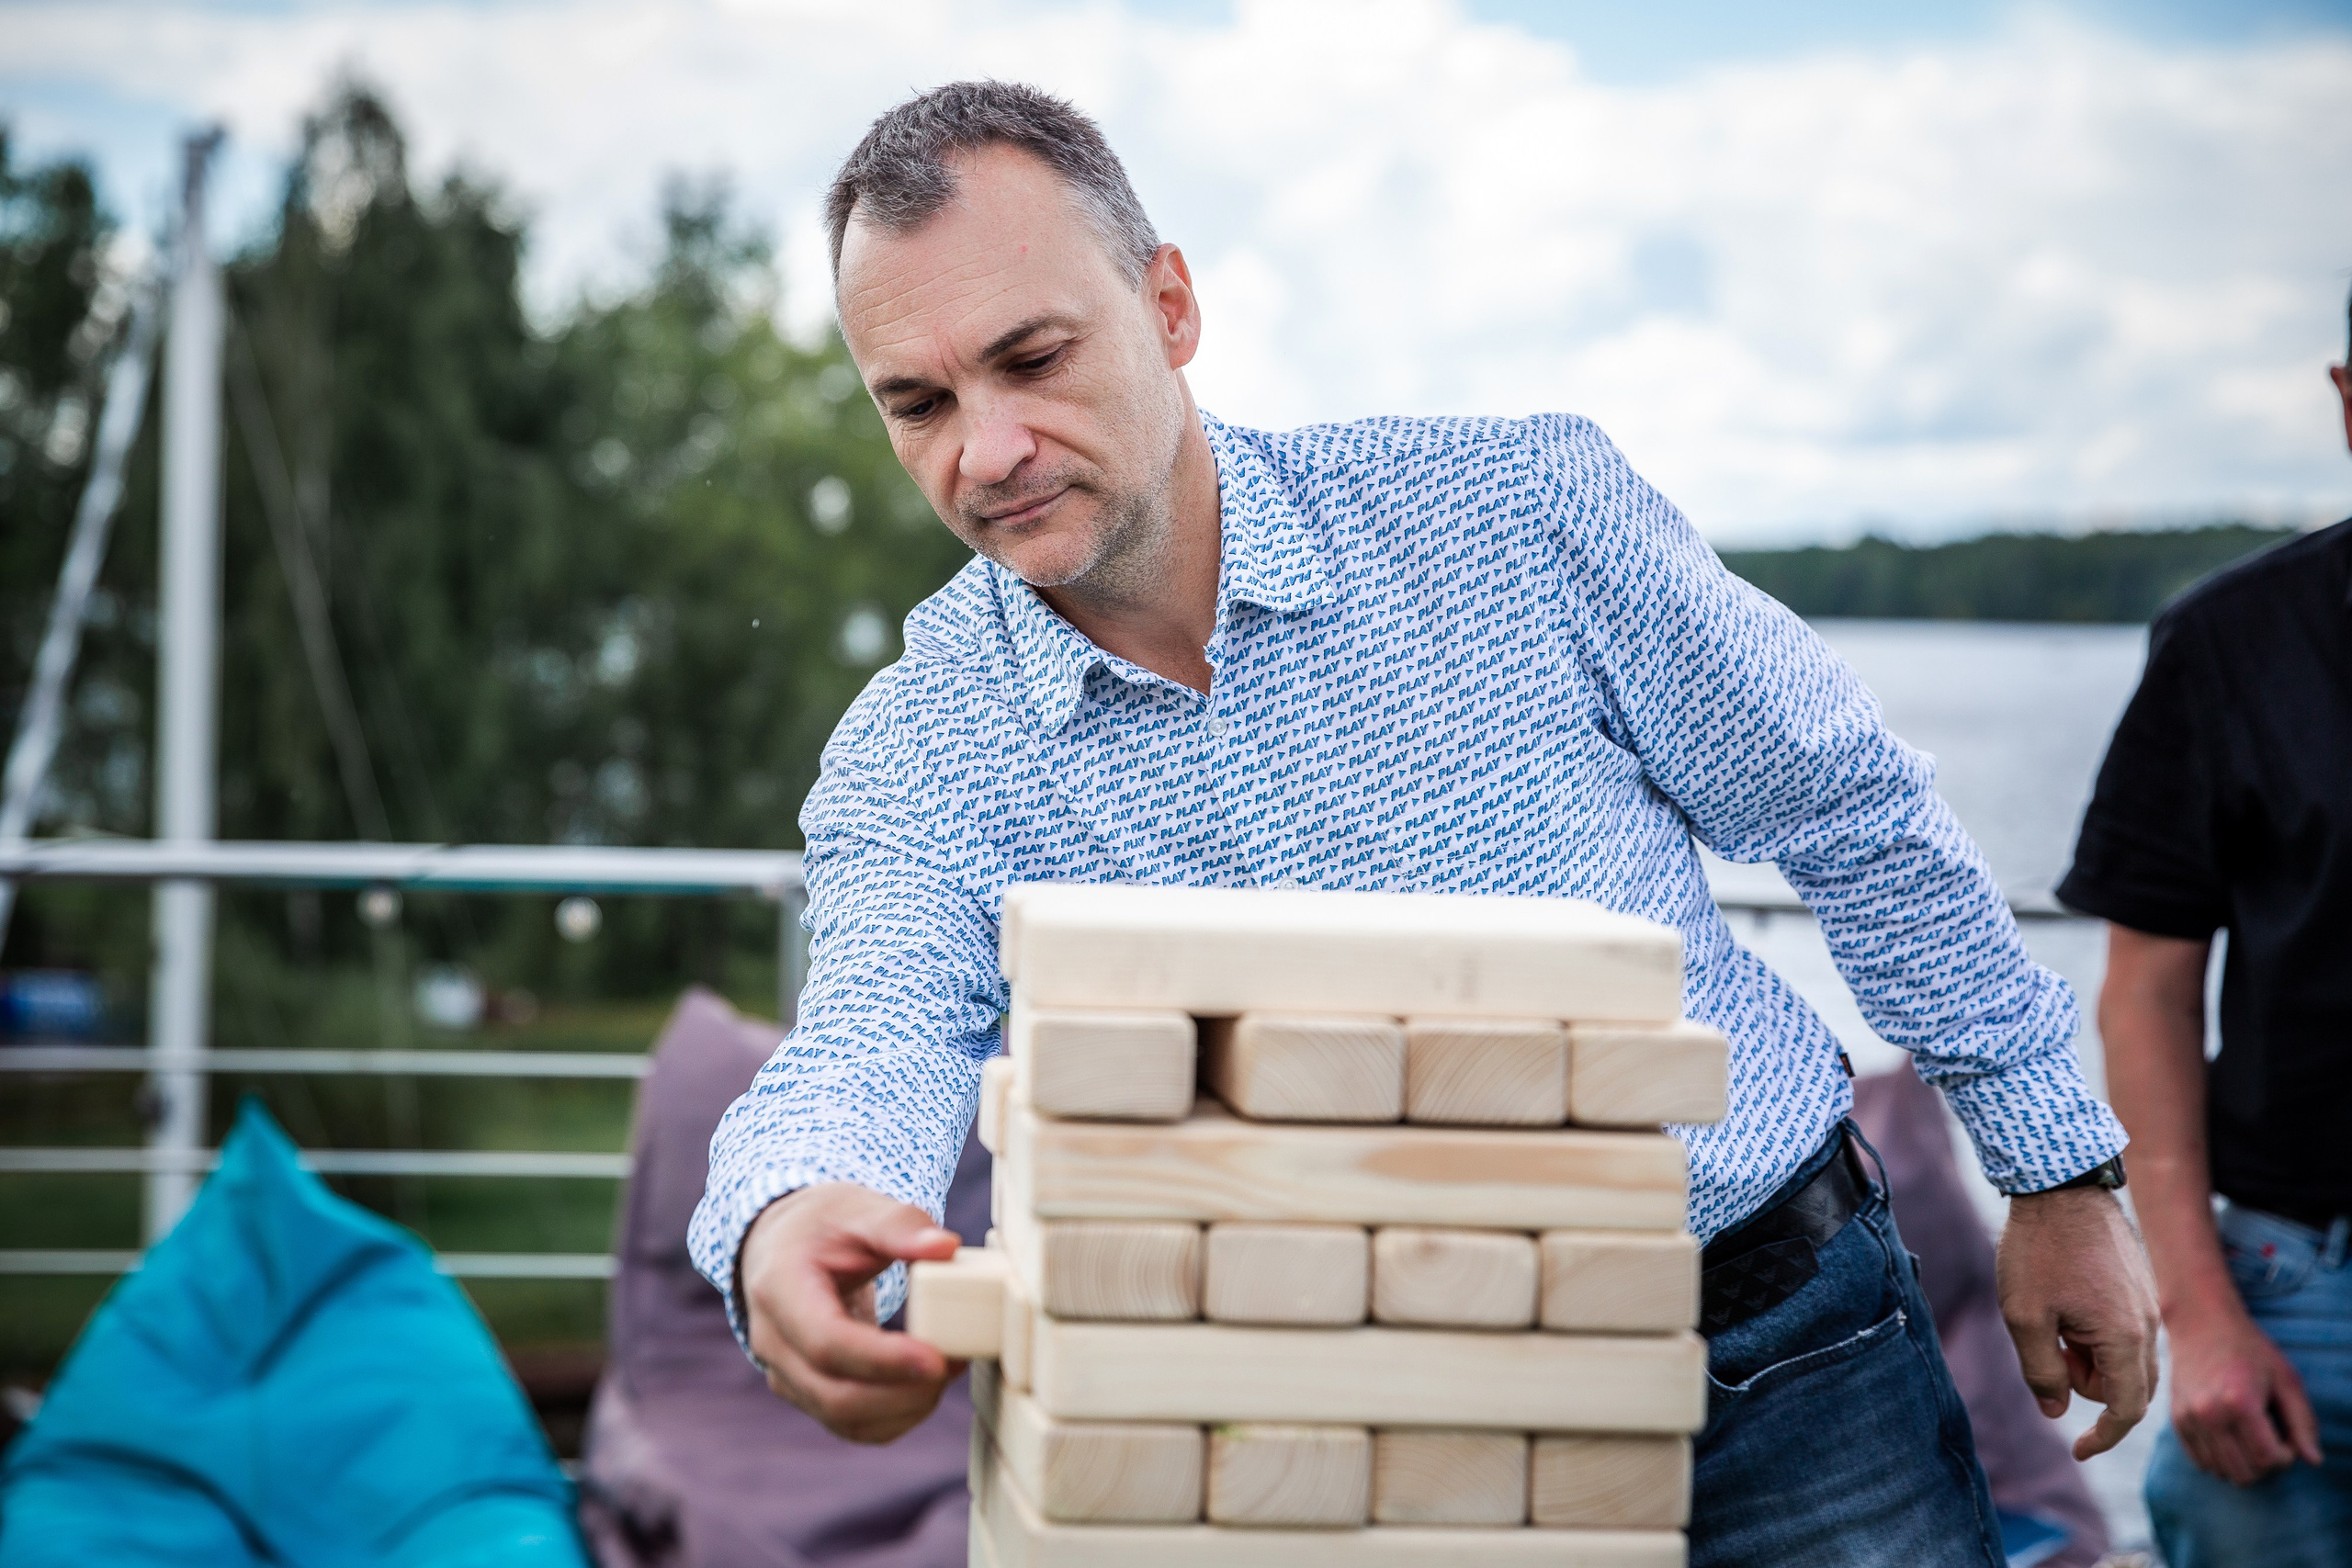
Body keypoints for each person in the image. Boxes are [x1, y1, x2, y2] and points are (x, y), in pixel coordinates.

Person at [689, 81, 2159, 1565]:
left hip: (1779, 1370)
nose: (988, 449)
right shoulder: (918, 750)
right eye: (920, 403)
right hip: (1307, 1454)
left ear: (1171, 305)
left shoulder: (1515, 512)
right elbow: (867, 1042)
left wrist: (2058, 1171)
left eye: (1033, 358)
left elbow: (1848, 808)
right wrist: (789, 1221)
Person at [2057, 294, 2352, 1566]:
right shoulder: (2231, 643)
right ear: (2348, 401)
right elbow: (2146, 994)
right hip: (2300, 1293)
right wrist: (2202, 1314)